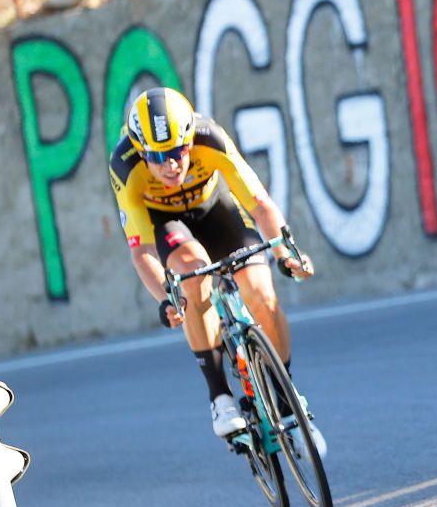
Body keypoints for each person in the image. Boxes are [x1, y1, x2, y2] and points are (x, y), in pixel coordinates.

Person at [108, 87, 325, 456]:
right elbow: (142, 250)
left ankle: (287, 397)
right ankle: (220, 396)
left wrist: (287, 253)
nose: (171, 165)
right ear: (141, 152)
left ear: (190, 140)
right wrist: (165, 297)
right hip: (166, 225)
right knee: (193, 276)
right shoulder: (125, 165)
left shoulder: (211, 139)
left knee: (260, 291)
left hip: (215, 210)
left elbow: (260, 205)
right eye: (157, 158)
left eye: (177, 151)